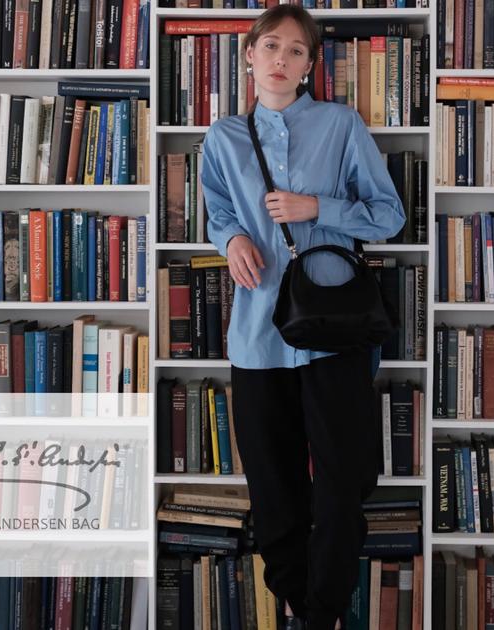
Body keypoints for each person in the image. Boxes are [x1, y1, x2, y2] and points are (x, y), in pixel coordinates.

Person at [199, 6, 407, 629]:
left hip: (334, 333)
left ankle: (325, 611)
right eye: (270, 46)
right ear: (249, 56)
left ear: (310, 64)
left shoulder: (341, 125)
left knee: (344, 483)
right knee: (273, 486)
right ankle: (296, 594)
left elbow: (389, 215)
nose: (281, 59)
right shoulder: (223, 138)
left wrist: (316, 207)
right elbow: (217, 212)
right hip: (258, 334)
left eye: (295, 50)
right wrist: (232, 239)